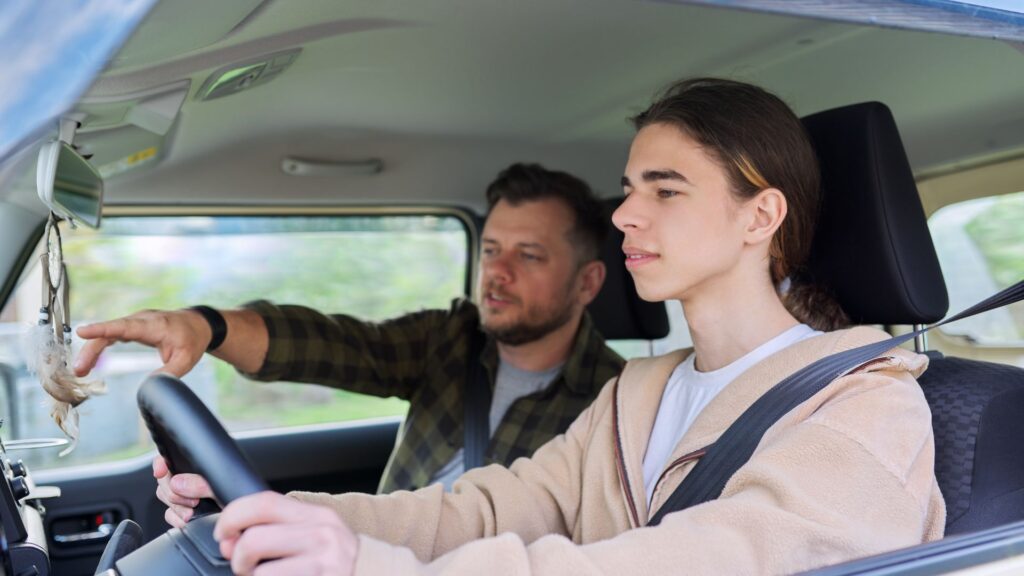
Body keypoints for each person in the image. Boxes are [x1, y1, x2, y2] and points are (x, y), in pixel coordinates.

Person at [153, 78, 946, 576]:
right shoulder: (636, 395)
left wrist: (373, 567)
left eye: (665, 191)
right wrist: (285, 516)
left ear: (760, 215)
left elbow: (717, 559)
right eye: (629, 188)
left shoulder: (865, 405)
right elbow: (484, 512)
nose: (626, 214)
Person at [74, 163, 625, 494]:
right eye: (492, 250)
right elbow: (333, 345)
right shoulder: (451, 340)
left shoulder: (620, 402)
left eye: (529, 256)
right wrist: (206, 326)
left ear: (587, 282)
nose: (497, 273)